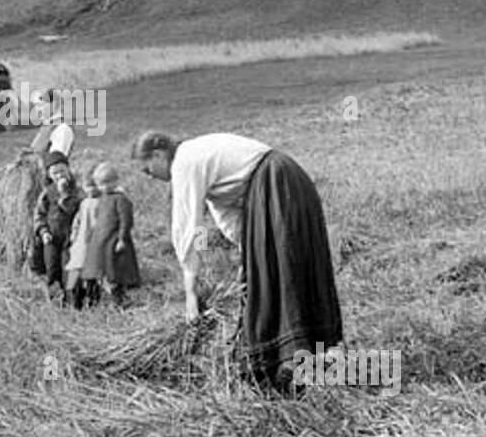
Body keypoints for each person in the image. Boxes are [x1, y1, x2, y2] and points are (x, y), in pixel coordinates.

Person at [131, 130, 343, 390]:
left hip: (275, 184)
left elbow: (187, 225)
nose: (150, 176)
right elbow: (228, 217)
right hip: (288, 181)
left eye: (147, 169)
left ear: (158, 154)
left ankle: (294, 358)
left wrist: (190, 291)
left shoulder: (184, 163)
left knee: (283, 273)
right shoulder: (199, 157)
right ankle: (304, 359)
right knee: (285, 268)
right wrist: (248, 254)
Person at [78, 162, 141, 307]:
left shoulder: (121, 199)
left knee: (116, 272)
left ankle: (119, 300)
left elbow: (126, 220)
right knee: (100, 270)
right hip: (100, 240)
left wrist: (121, 238)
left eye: (108, 182)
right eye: (101, 184)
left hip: (113, 241)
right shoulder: (102, 199)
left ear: (116, 181)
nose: (104, 187)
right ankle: (104, 299)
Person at [33, 162, 83, 304]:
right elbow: (39, 214)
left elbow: (81, 213)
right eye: (55, 173)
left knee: (69, 268)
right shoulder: (47, 193)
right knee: (52, 268)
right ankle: (55, 299)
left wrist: (64, 196)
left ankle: (72, 300)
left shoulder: (77, 192)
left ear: (68, 171)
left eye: (62, 171)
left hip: (71, 238)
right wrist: (43, 232)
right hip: (52, 239)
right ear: (49, 175)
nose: (59, 175)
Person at [64, 176, 102, 310]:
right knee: (77, 271)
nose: (90, 190)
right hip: (81, 242)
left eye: (93, 187)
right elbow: (78, 220)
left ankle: (93, 301)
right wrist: (74, 235)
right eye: (87, 187)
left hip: (95, 242)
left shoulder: (101, 202)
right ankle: (76, 302)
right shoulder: (84, 203)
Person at [27, 89, 75, 169]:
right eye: (35, 106)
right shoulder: (47, 128)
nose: (37, 109)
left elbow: (56, 162)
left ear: (54, 104)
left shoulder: (62, 129)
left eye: (40, 105)